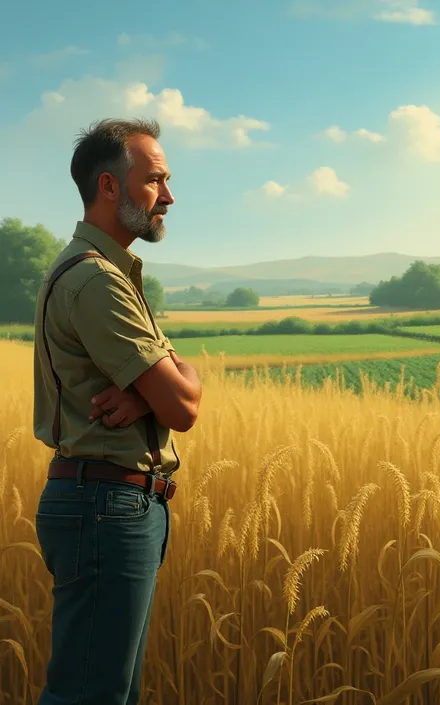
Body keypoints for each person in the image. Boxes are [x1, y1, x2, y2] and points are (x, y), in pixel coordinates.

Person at [32, 117, 202, 704]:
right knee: (90, 693)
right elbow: (183, 405)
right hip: (106, 505)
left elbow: (177, 387)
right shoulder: (98, 283)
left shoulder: (110, 275)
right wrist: (163, 384)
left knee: (109, 691)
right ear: (109, 187)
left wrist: (145, 390)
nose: (170, 197)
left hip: (113, 502)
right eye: (156, 181)